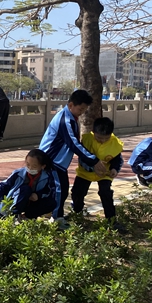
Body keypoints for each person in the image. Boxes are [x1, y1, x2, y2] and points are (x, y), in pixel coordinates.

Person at [39, 89, 106, 220]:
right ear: (71, 105)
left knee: (56, 189)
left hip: (58, 162)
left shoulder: (71, 117)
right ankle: (57, 218)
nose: (82, 112)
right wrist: (94, 160)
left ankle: (49, 212)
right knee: (60, 190)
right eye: (80, 109)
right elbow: (74, 143)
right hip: (51, 160)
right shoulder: (65, 120)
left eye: (84, 109)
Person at [70, 117, 126, 231]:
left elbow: (117, 160)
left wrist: (115, 169)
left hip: (105, 173)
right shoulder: (87, 139)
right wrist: (92, 168)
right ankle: (77, 212)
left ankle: (112, 220)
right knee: (78, 192)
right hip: (85, 172)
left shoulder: (115, 143)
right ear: (93, 132)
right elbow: (82, 159)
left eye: (106, 138)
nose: (102, 141)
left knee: (105, 192)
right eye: (99, 138)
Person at [0, 149, 57, 220]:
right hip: (12, 204)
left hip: (30, 203)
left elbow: (50, 191)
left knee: (51, 203)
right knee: (25, 189)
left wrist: (38, 195)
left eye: (34, 166)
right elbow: (4, 185)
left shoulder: (47, 177)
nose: (30, 168)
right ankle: (14, 216)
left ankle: (28, 217)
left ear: (42, 166)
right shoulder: (18, 174)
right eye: (28, 164)